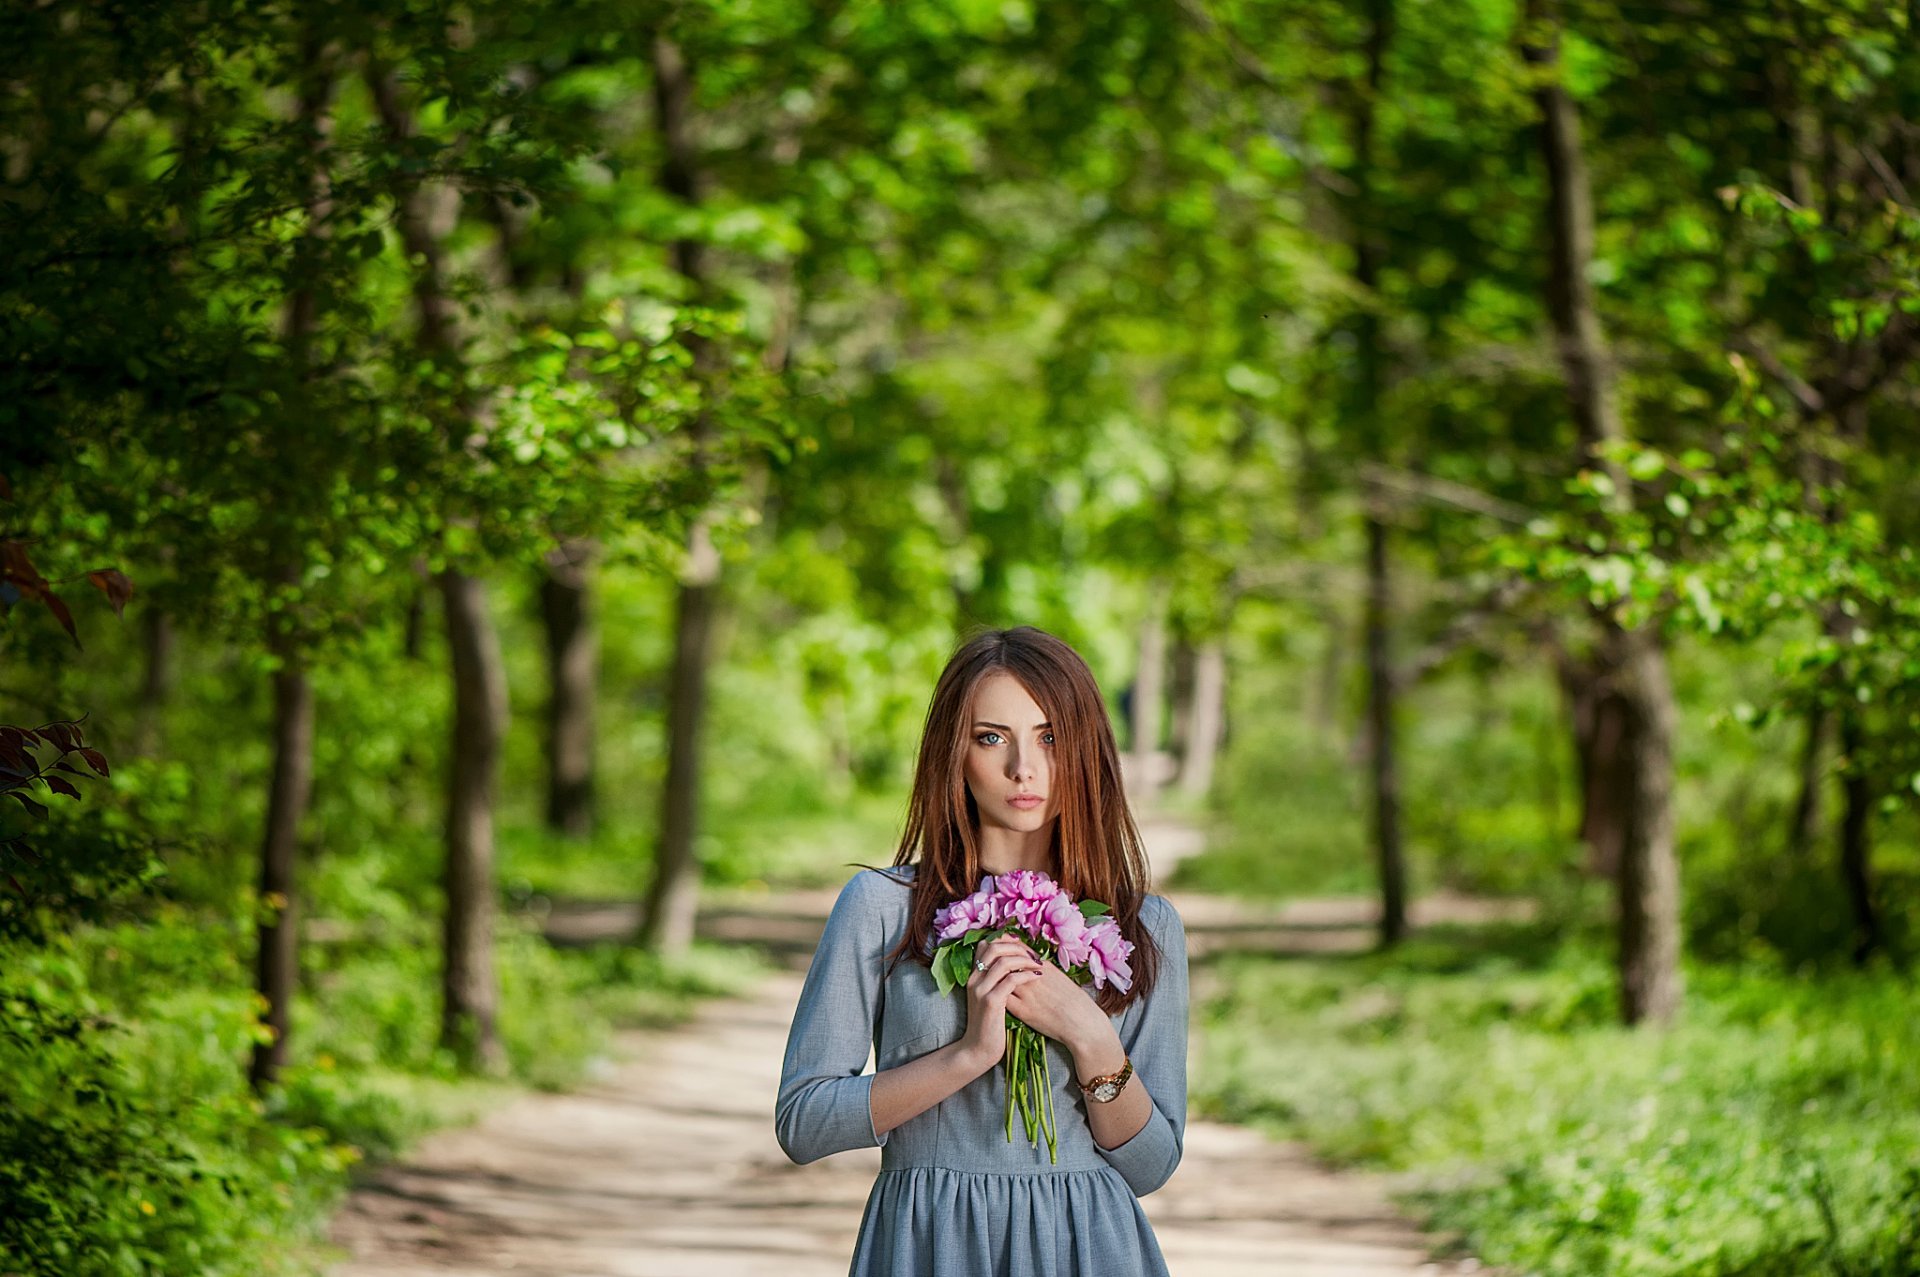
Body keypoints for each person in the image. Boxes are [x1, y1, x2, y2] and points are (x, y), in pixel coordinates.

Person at [775, 625, 1189, 1276]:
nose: (1023, 767)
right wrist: (968, 1055)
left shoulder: (1147, 925)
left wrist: (1092, 1039)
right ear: (954, 752)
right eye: (991, 737)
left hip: (1090, 1246)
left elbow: (1150, 1164)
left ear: (1084, 750)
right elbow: (803, 1123)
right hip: (928, 1243)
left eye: (1049, 737)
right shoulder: (880, 907)